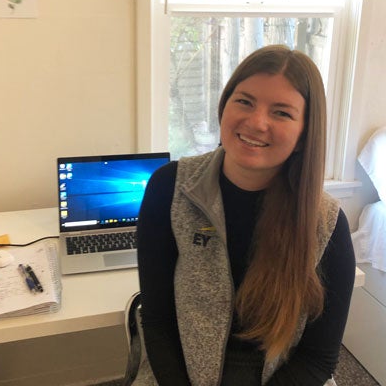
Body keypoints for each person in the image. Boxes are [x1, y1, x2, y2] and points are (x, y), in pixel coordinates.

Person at [135, 45, 356, 386]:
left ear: (303, 134)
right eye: (245, 101)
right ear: (224, 106)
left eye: (281, 113)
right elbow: (158, 321)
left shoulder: (326, 223)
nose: (256, 122)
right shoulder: (169, 188)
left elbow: (318, 358)